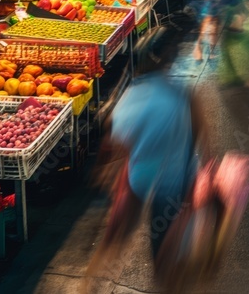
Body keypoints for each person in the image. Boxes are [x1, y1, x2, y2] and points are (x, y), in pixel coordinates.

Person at [84, 29, 208, 291]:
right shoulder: (183, 94)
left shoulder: (133, 97)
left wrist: (104, 168)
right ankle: (166, 283)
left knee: (115, 234)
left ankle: (89, 282)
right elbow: (202, 135)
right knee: (165, 249)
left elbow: (114, 137)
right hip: (174, 182)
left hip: (139, 176)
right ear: (171, 60)